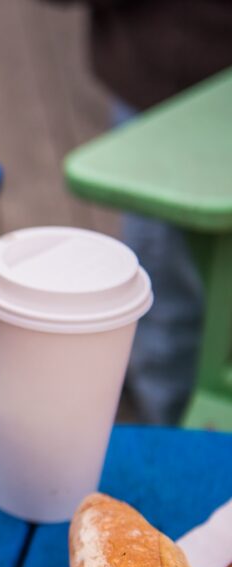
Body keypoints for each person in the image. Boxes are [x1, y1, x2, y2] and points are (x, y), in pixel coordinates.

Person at [47, 0, 232, 424]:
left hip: (177, 71)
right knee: (168, 296)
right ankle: (165, 422)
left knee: (171, 300)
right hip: (166, 81)